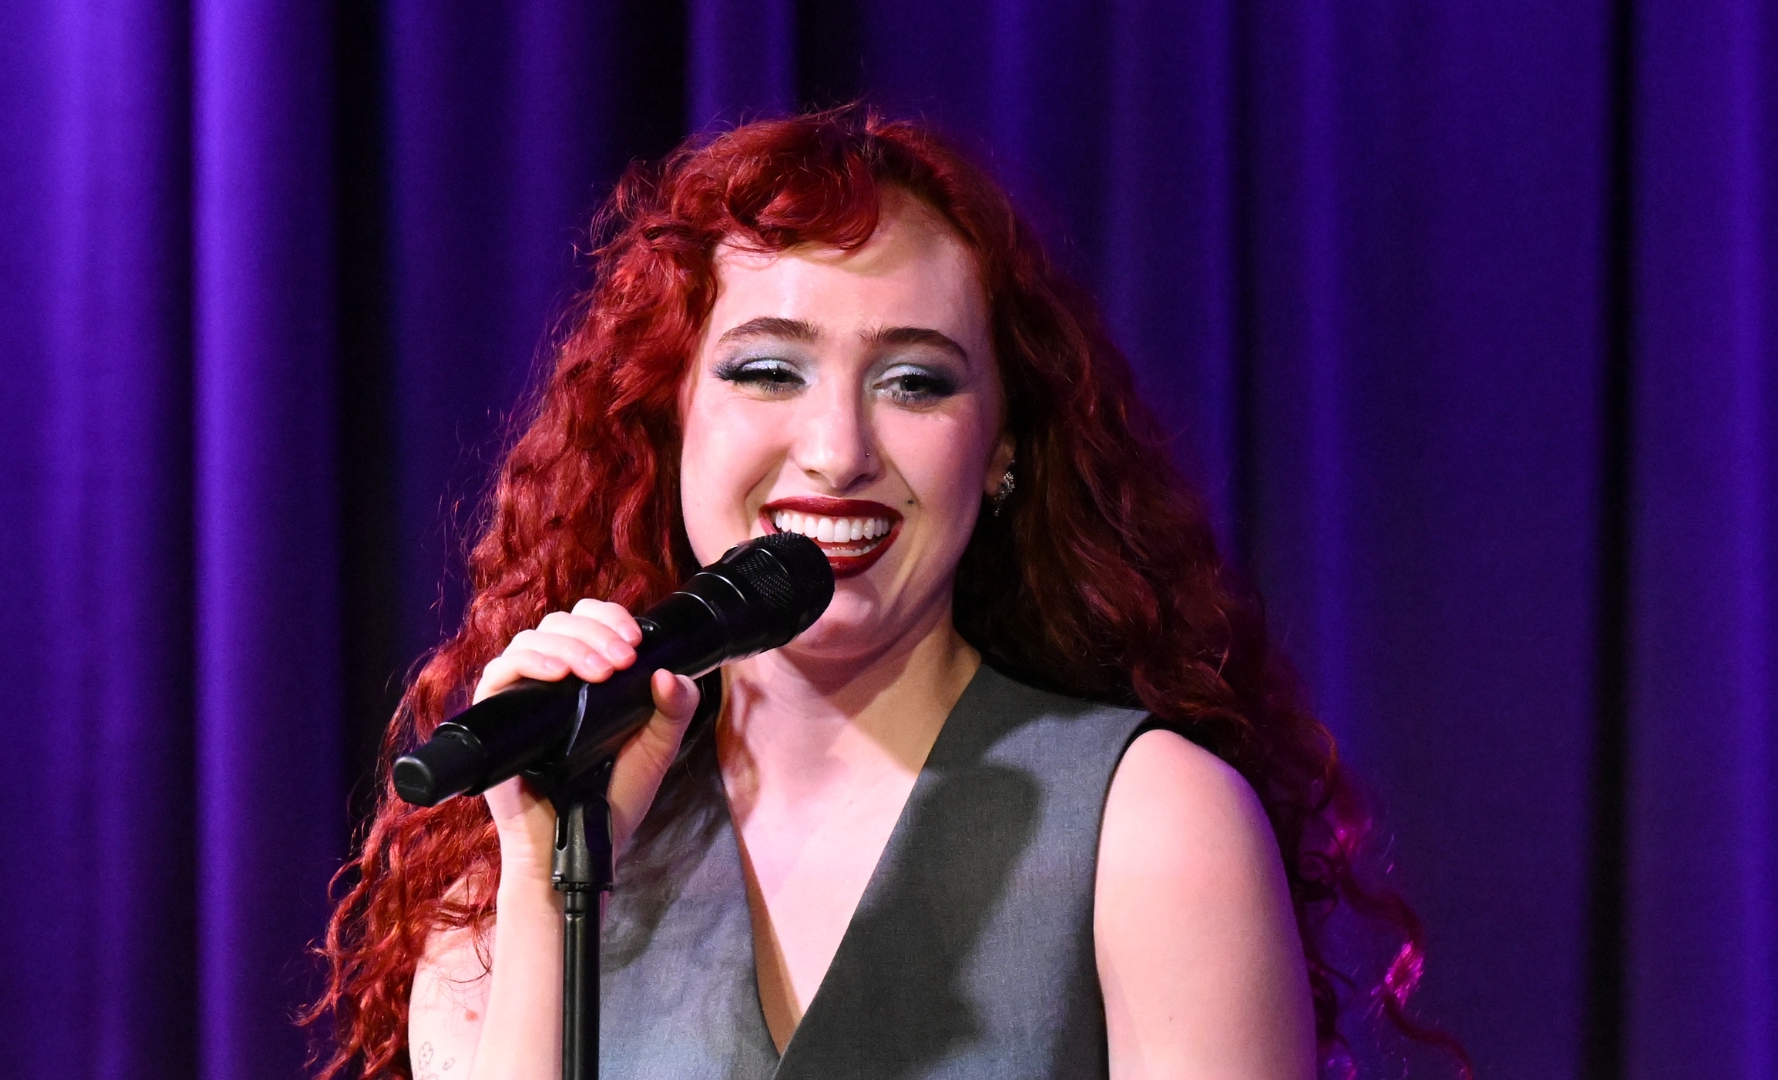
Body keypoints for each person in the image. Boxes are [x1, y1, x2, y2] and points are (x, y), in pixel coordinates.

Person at [309, 108, 1462, 1080]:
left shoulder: (1152, 826)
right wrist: (547, 876)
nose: (837, 449)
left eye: (914, 381)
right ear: (668, 421)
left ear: (1002, 449)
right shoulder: (511, 871)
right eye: (769, 369)